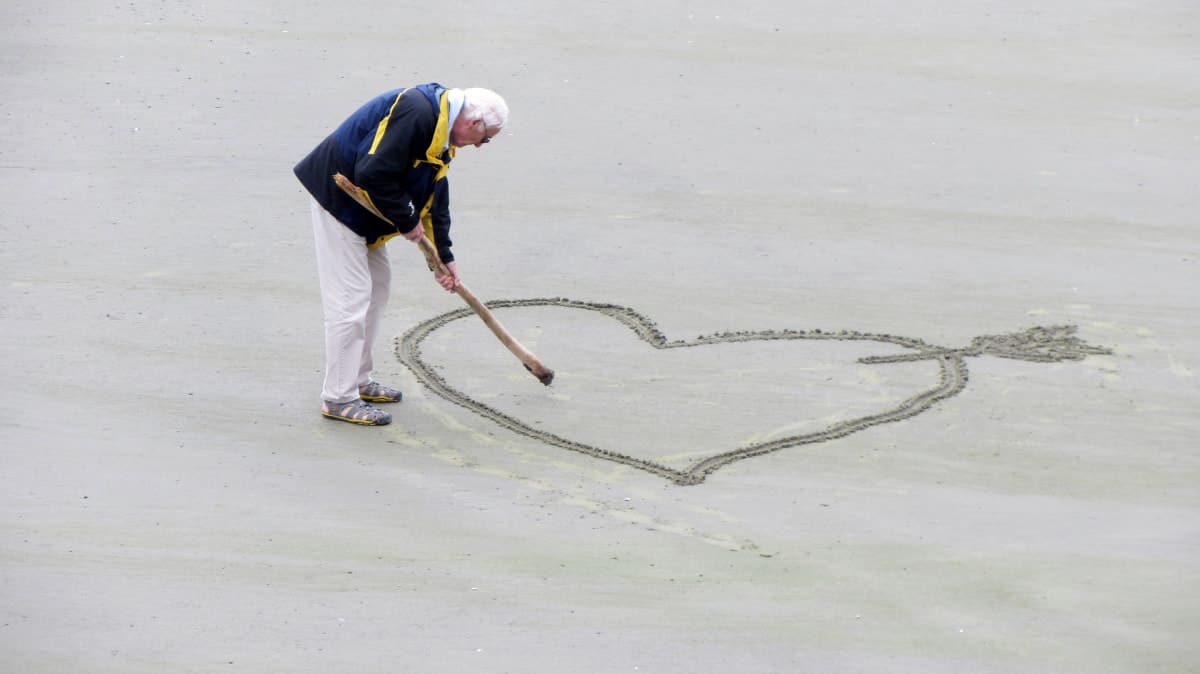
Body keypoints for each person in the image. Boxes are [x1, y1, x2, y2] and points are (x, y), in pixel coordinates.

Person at [294, 83, 508, 426]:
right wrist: (407, 222)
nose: (480, 146)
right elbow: (371, 172)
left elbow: (435, 194)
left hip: (365, 213)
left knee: (377, 289)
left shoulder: (442, 132)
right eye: (486, 139)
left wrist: (442, 258)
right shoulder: (419, 112)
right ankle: (338, 397)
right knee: (350, 301)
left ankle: (358, 380)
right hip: (338, 202)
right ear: (474, 123)